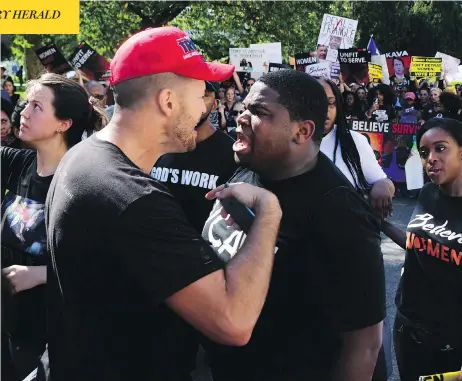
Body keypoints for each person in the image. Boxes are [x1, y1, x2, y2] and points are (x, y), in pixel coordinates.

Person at [41, 26, 282, 381]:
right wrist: (269, 211)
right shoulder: (132, 196)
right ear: (168, 101)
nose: (205, 107)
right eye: (200, 94)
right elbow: (234, 322)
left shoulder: (83, 157)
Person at [201, 70, 385, 381]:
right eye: (244, 107)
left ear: (301, 131)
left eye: (259, 111)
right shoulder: (250, 168)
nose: (241, 117)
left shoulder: (339, 211)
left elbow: (364, 344)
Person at [1, 73, 107, 381]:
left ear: (64, 124)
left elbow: (106, 266)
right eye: (26, 103)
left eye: (37, 106)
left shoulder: (84, 182)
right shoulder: (17, 163)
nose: (24, 113)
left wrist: (38, 274)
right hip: (12, 330)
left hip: (55, 340)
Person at [381, 118, 462, 381]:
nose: (431, 159)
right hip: (408, 330)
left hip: (451, 343)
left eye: (441, 148)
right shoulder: (428, 193)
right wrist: (377, 221)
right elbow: (417, 243)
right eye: (425, 152)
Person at [152, 81, 238, 234]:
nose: (193, 102)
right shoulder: (153, 144)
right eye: (189, 93)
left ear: (214, 105)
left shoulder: (231, 155)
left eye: (204, 95)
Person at [319, 79, 394, 218]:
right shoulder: (288, 143)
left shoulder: (354, 140)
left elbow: (382, 180)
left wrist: (382, 187)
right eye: (317, 103)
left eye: (331, 104)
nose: (325, 111)